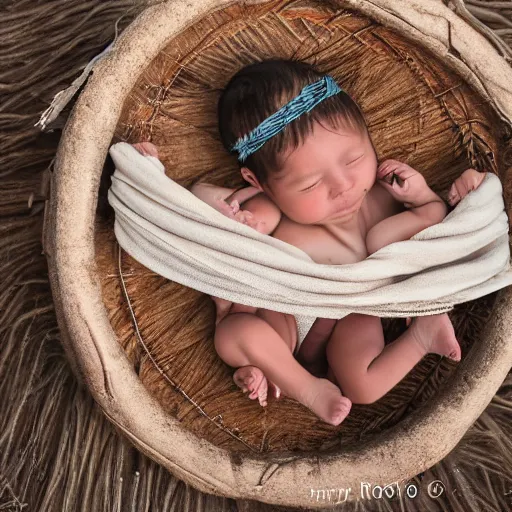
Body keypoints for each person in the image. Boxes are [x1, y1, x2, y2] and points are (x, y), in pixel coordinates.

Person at [133, 59, 486, 426]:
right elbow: (200, 197)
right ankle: (300, 384)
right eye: (310, 184)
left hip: (356, 311)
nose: (343, 185)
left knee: (363, 387)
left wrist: (434, 196)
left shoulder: (389, 194)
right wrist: (159, 181)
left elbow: (445, 228)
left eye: (354, 158)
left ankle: (422, 337)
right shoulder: (268, 208)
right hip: (289, 318)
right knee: (233, 334)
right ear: (259, 181)